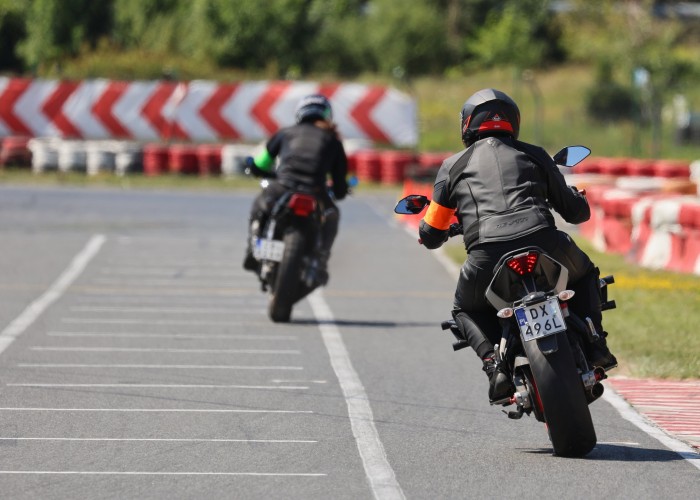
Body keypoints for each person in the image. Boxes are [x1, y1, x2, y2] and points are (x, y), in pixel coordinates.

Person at [418, 88, 617, 403]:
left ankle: (493, 363)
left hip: (487, 254)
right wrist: (576, 195)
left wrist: (441, 228)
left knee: (464, 309)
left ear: (467, 124)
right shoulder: (534, 153)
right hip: (546, 242)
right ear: (513, 121)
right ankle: (595, 343)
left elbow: (430, 233)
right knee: (585, 273)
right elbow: (576, 212)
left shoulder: (451, 167)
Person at [243, 94, 348, 285]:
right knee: (333, 215)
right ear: (327, 115)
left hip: (283, 187)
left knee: (259, 204)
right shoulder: (333, 141)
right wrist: (339, 192)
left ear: (300, 113)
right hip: (315, 192)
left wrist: (253, 168)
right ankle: (321, 260)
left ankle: (252, 245)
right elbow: (340, 185)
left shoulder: (285, 133)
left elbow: (260, 163)